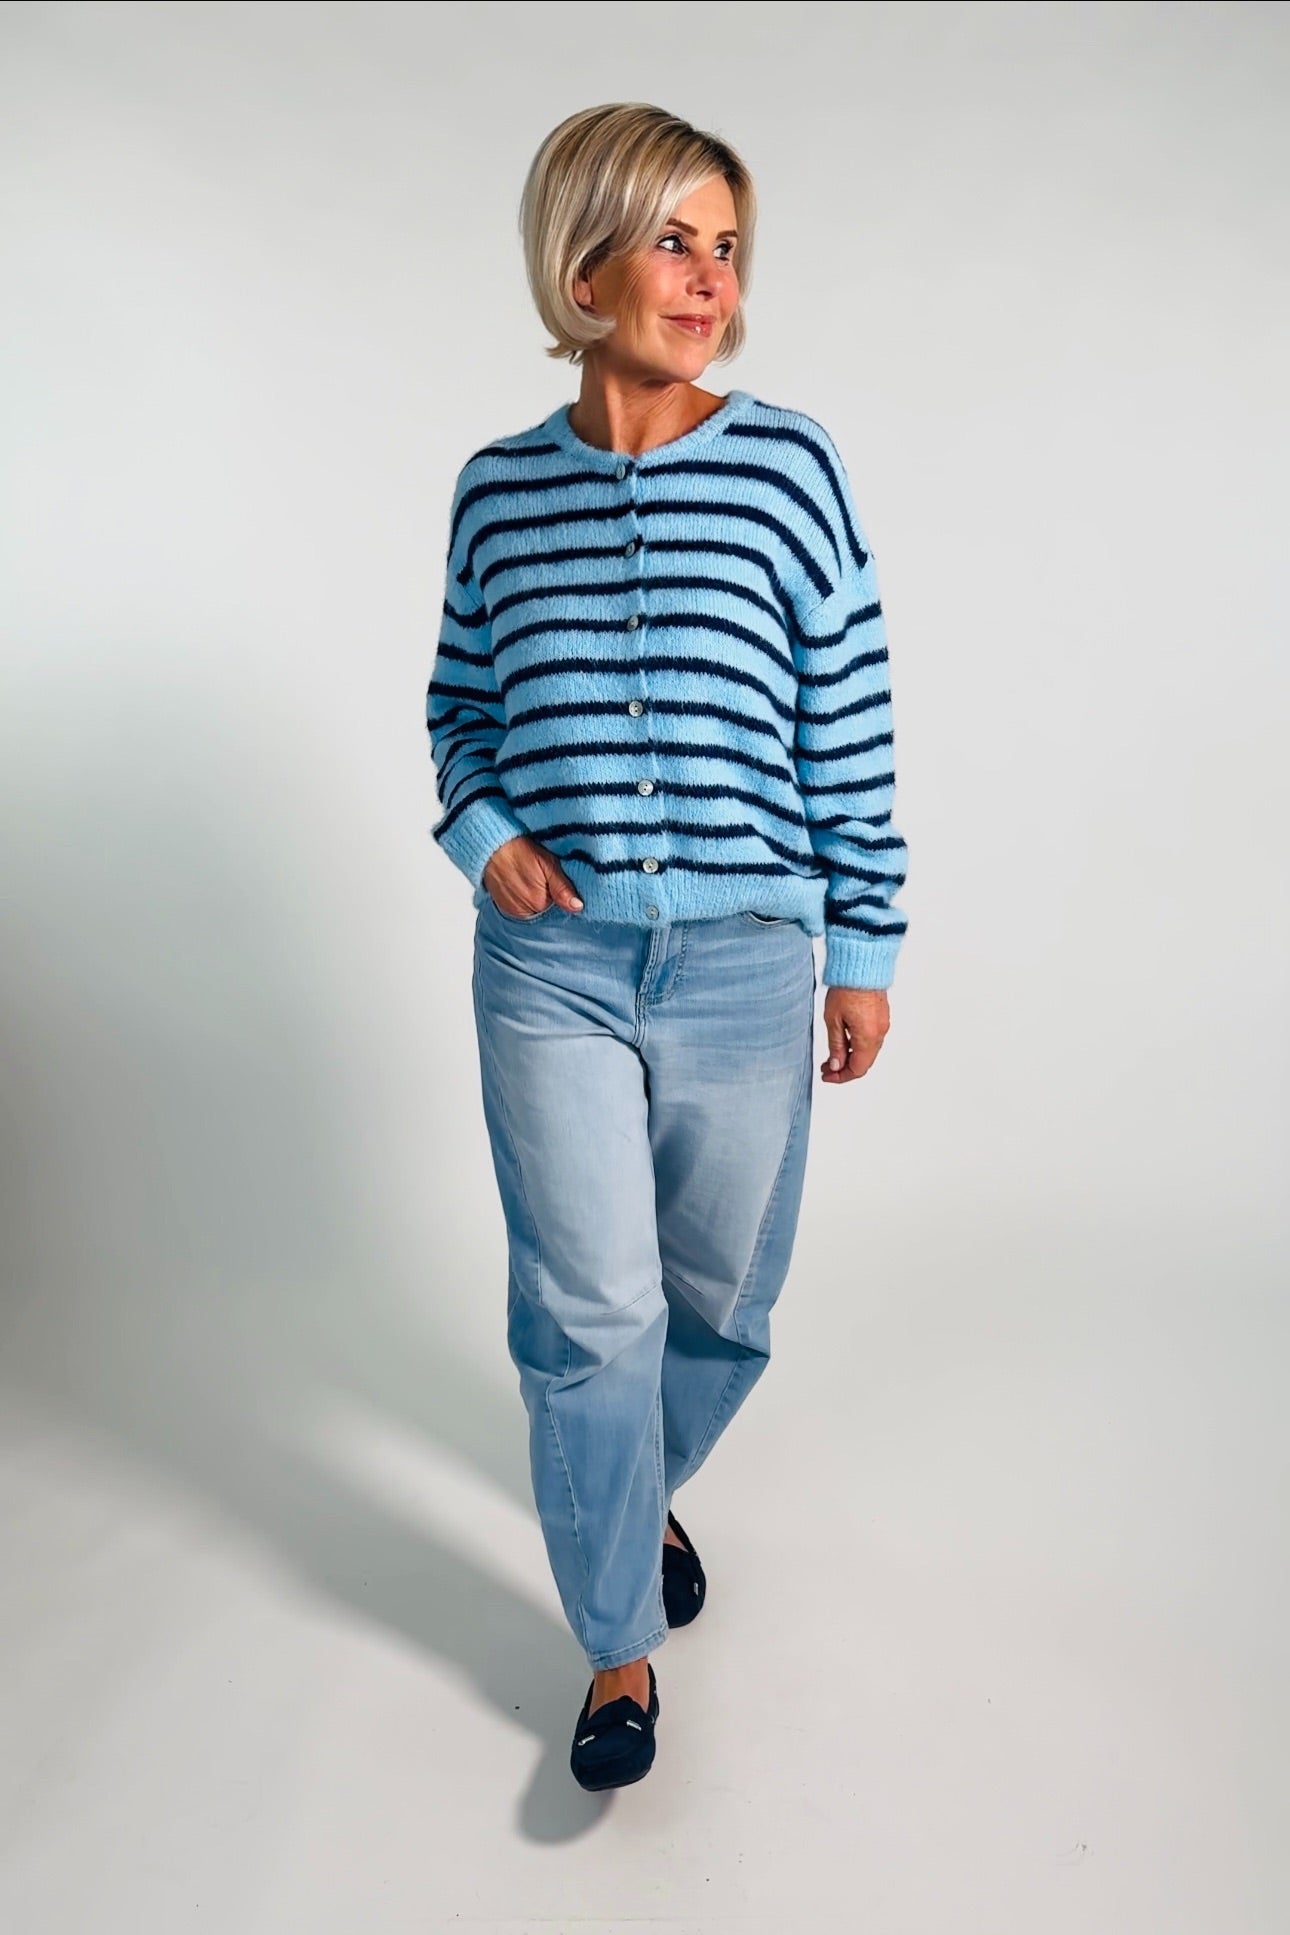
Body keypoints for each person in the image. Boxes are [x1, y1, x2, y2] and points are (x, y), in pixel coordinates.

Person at [425, 102, 909, 1792]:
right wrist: (484, 835)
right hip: (550, 970)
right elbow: (459, 709)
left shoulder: (787, 467)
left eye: (727, 248)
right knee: (588, 1313)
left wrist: (865, 944)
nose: (710, 280)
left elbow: (848, 720)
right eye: (672, 242)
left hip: (746, 963)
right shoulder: (497, 493)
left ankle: (637, 1484)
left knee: (717, 1305)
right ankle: (616, 1646)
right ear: (583, 269)